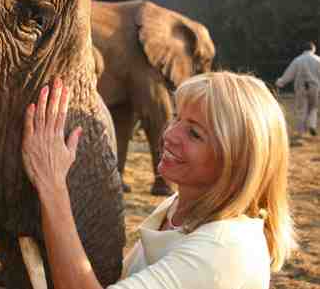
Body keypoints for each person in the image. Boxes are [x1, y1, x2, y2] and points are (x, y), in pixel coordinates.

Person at [21, 72, 296, 289]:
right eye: (177, 117)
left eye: (195, 134)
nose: (170, 135)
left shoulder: (224, 248)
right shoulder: (178, 208)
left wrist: (51, 183)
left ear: (235, 164)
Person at [276, 41, 320, 136]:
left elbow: (289, 74)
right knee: (313, 108)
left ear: (303, 49)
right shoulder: (318, 60)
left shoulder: (298, 60)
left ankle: (301, 132)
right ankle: (311, 125)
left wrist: (280, 82)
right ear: (313, 49)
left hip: (301, 87)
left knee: (301, 109)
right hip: (314, 87)